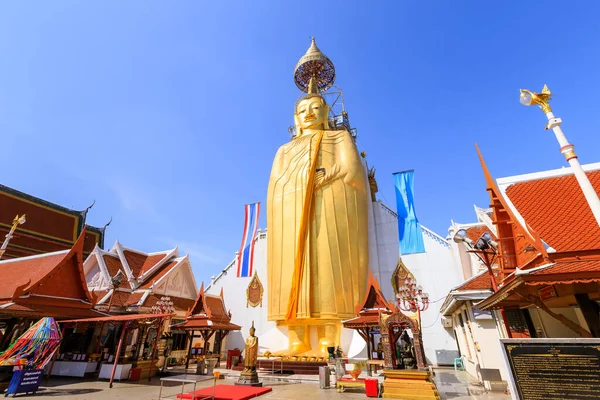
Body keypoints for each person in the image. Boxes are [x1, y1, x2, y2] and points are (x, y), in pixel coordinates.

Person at [267, 39, 369, 355]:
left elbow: (352, 173)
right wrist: (298, 184)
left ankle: (329, 338)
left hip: (329, 208)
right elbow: (274, 185)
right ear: (296, 117)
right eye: (302, 110)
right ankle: (296, 339)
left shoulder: (338, 137)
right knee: (290, 271)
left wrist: (325, 181)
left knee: (329, 266)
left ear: (325, 111)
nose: (309, 112)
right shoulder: (285, 149)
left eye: (315, 108)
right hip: (292, 210)